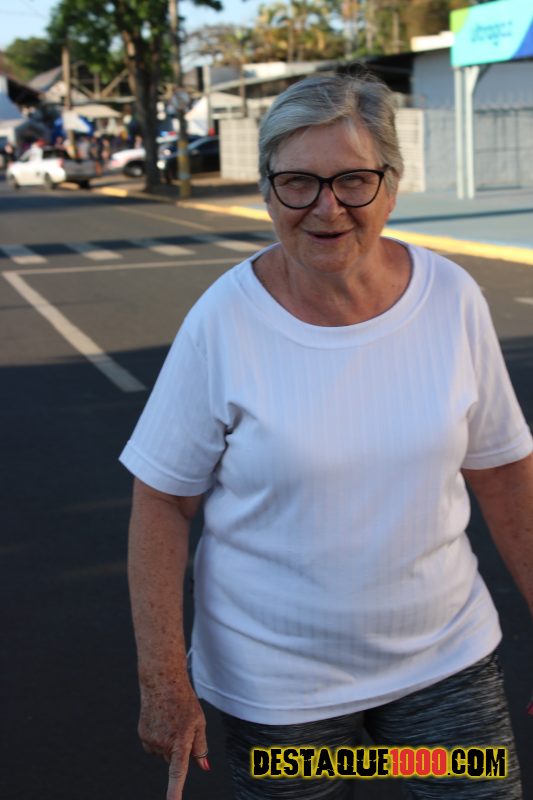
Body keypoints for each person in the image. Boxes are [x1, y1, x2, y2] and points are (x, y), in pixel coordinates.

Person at [120, 73, 533, 800]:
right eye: (298, 183)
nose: (326, 207)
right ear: (267, 191)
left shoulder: (451, 298)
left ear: (390, 187)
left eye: (351, 180)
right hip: (279, 693)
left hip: (445, 661)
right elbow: (161, 500)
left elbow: (502, 472)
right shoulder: (223, 320)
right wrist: (164, 682)